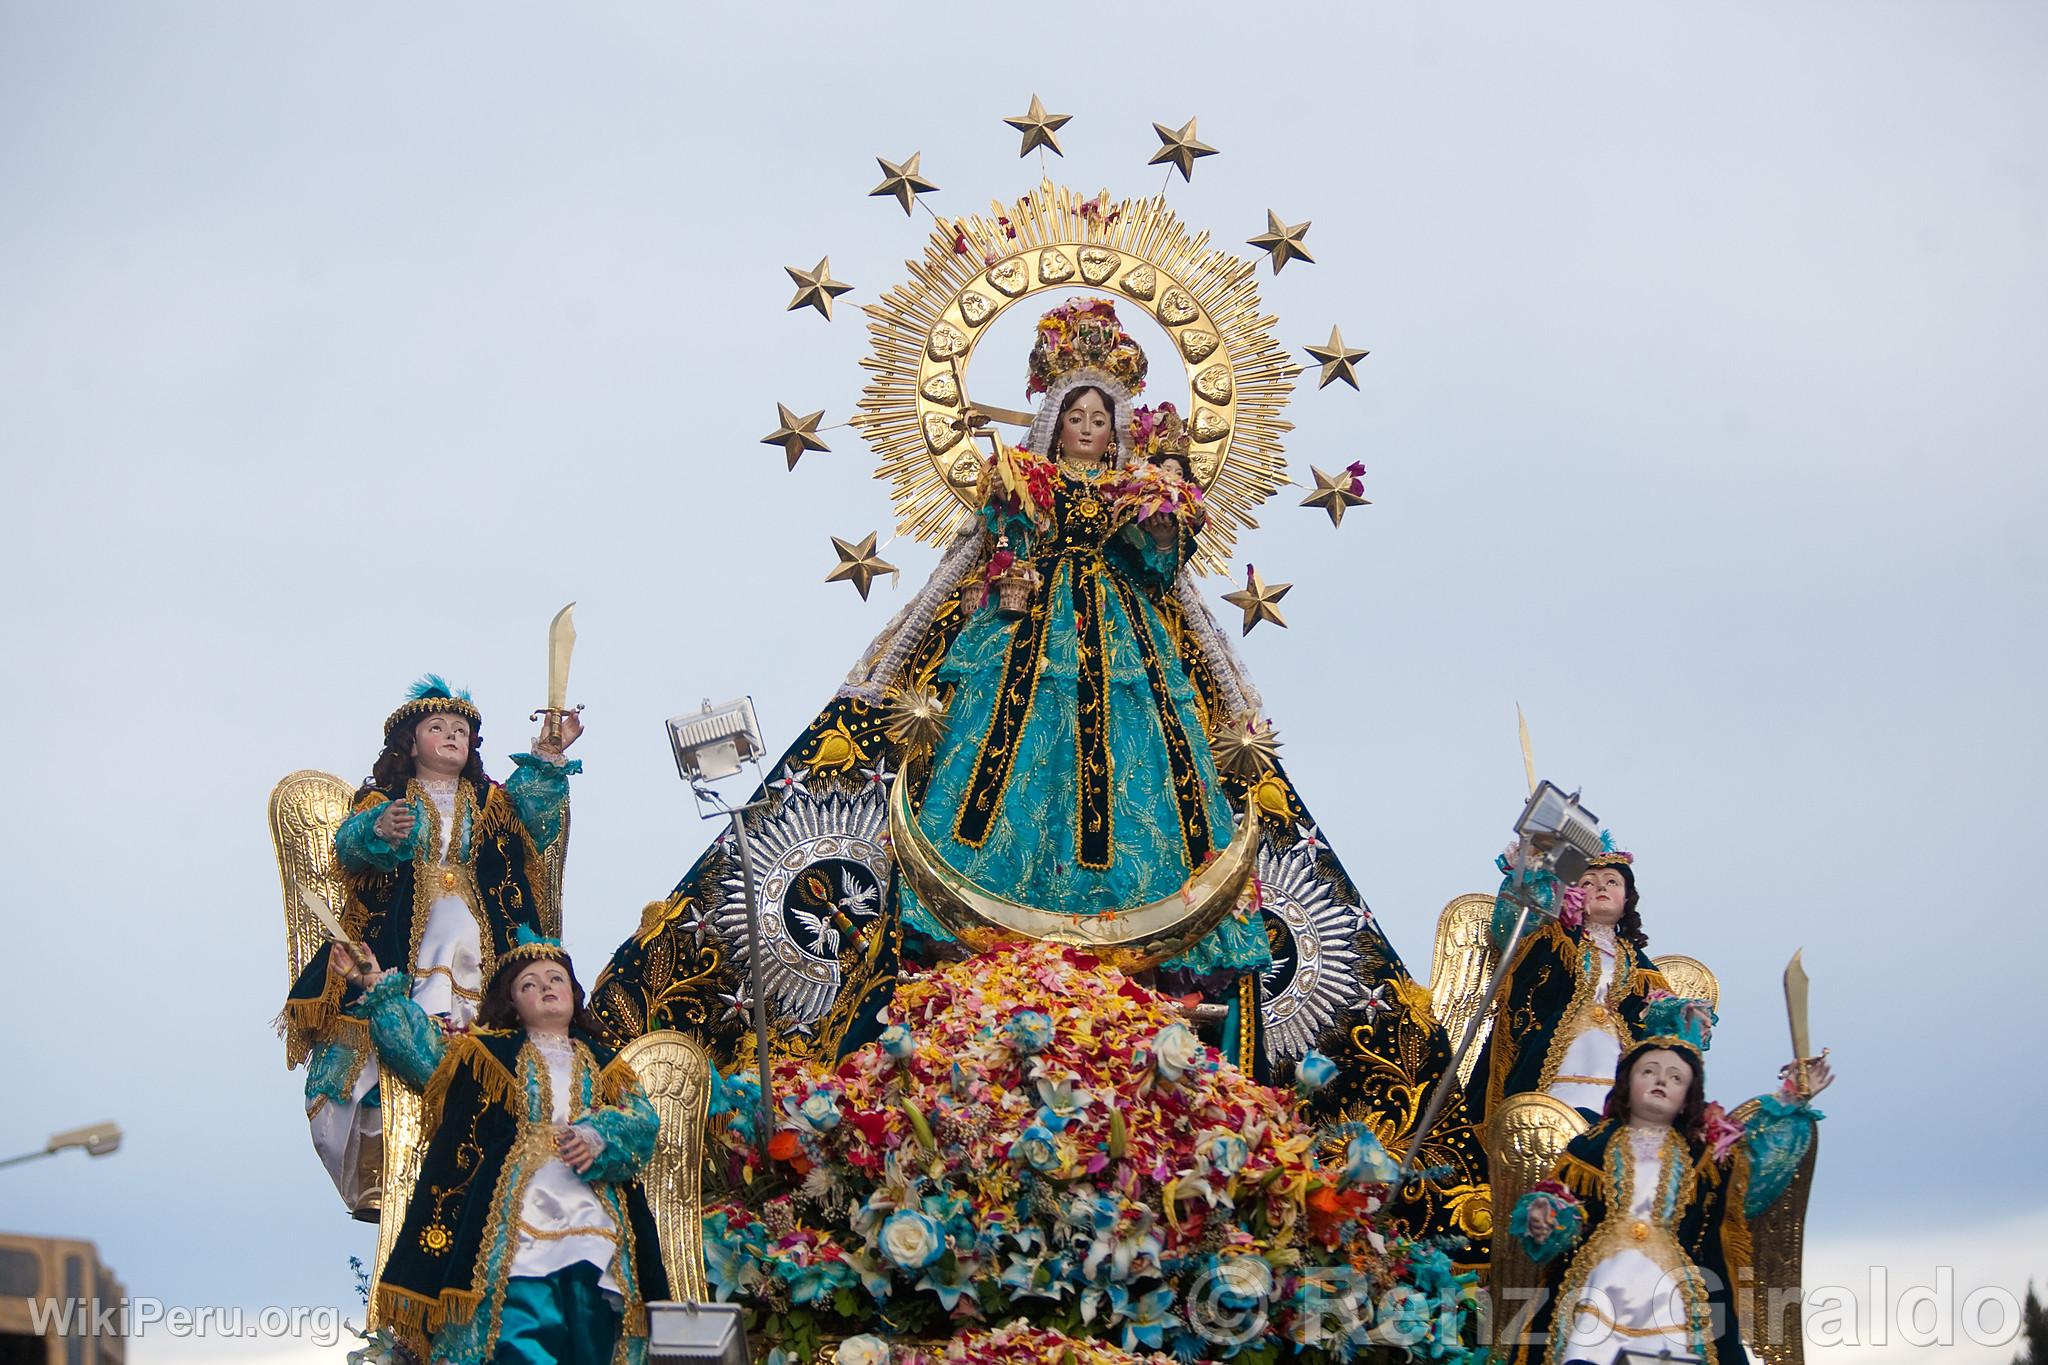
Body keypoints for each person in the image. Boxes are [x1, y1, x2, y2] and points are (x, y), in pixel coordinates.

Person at [898, 298, 1269, 982]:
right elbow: (1004, 539)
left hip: (1123, 630)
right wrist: (1012, 567)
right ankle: (992, 890)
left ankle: (1136, 907)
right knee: (1015, 746)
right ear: (1055, 421)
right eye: (1076, 417)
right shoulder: (1029, 477)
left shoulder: (1138, 487)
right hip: (1034, 626)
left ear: (1117, 428)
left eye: (1100, 420)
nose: (1087, 429)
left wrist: (1165, 516)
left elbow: (1156, 567)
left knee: (1135, 746)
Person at [282, 676, 582, 1217]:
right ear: (410, 743)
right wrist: (379, 829)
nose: (451, 735)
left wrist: (548, 754)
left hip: (480, 931)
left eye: (461, 729)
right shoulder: (383, 800)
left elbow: (535, 823)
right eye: (437, 727)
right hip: (405, 940)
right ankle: (381, 1167)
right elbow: (350, 848)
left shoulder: (491, 801)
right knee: (362, 1059)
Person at [341, 930, 667, 1365]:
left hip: (593, 1211)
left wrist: (599, 1135)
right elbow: (422, 1053)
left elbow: (643, 1122)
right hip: (514, 1209)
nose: (546, 987)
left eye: (555, 978)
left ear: (573, 992)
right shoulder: (487, 1056)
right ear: (514, 1004)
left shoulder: (608, 1066)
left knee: (595, 1318)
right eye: (529, 984)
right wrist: (376, 986)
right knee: (516, 1315)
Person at [1506, 998, 1832, 1365]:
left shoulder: (1704, 1155)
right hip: (1601, 1274)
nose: (1662, 1080)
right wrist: (1545, 1214)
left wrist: (1792, 1097)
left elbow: (1753, 1174)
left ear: (1687, 1098)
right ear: (1626, 1083)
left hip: (1672, 1283)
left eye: (1676, 1077)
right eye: (1649, 1071)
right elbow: (1564, 1204)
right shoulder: (1591, 1146)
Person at [1468, 847, 1674, 1124]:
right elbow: (1512, 927)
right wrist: (1529, 873)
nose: (1601, 886)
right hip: (1551, 1058)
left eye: (1612, 881)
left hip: (1614, 1064)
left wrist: (1680, 1015)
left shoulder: (1642, 968)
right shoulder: (1551, 940)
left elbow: (1658, 1021)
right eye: (1588, 882)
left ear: (1627, 898)